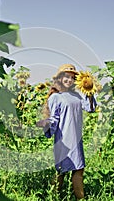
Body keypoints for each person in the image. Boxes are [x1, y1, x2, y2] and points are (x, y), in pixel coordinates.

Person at [36, 64, 96, 200]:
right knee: (61, 171)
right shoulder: (55, 97)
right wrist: (47, 123)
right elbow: (54, 118)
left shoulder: (77, 96)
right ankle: (54, 196)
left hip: (76, 138)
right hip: (63, 138)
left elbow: (90, 108)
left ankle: (79, 199)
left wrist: (89, 90)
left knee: (78, 169)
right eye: (66, 77)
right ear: (60, 78)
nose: (69, 80)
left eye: (72, 77)